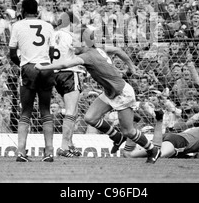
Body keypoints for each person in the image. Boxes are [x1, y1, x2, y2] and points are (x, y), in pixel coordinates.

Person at [35, 27, 162, 164]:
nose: (71, 46)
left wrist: (43, 67)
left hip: (122, 94)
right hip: (109, 92)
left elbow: (65, 64)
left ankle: (152, 149)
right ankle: (117, 137)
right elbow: (118, 50)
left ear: (84, 44)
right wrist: (130, 65)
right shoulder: (98, 49)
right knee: (90, 118)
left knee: (129, 132)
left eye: (75, 42)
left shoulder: (87, 56)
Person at [8, 0, 56, 162]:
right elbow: (52, 52)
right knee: (46, 111)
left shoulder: (17, 26)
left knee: (26, 112)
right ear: (37, 11)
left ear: (22, 10)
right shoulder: (48, 26)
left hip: (28, 68)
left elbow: (13, 54)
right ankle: (49, 152)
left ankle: (21, 152)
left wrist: (22, 64)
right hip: (46, 68)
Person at [122, 110, 199, 159]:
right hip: (178, 141)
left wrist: (193, 157)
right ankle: (130, 154)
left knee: (149, 152)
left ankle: (135, 125)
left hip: (172, 138)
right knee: (156, 155)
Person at [52, 11, 84, 157]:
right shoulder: (70, 36)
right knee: (71, 110)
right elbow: (78, 50)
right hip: (70, 72)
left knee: (74, 109)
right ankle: (64, 146)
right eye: (75, 23)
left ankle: (70, 144)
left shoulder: (53, 34)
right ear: (70, 23)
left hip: (54, 73)